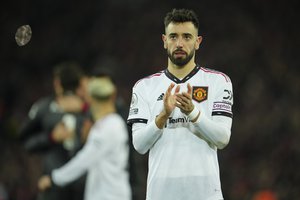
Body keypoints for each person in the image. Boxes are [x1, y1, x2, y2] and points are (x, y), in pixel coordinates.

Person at [127, 8, 234, 200]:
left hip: (205, 193)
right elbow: (139, 145)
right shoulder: (144, 87)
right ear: (164, 40)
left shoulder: (218, 81)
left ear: (198, 42)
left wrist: (193, 113)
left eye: (186, 37)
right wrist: (162, 117)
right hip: (161, 193)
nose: (179, 43)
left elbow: (222, 138)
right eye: (173, 36)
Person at [38, 77, 132, 200]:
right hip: (113, 193)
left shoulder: (106, 128)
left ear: (92, 99)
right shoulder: (114, 123)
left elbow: (83, 161)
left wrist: (54, 178)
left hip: (108, 195)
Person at [18, 61, 89, 200]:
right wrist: (51, 137)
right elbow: (25, 141)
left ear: (57, 83)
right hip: (56, 187)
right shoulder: (45, 108)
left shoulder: (89, 111)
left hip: (80, 187)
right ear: (80, 83)